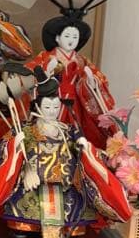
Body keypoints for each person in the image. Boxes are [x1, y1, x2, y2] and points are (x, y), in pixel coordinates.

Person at [0, 68, 130, 238]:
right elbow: (6, 152)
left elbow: (82, 151)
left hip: (66, 185)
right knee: (25, 208)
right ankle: (27, 226)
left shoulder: (68, 130)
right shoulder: (25, 129)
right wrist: (21, 160)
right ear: (38, 107)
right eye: (48, 107)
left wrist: (84, 147)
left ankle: (67, 228)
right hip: (33, 185)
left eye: (56, 107)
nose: (52, 112)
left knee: (73, 206)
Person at [26, 14, 114, 149]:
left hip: (76, 105)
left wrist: (91, 82)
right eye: (67, 36)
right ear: (57, 38)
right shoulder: (45, 57)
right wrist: (46, 74)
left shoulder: (82, 60)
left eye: (75, 37)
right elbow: (28, 74)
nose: (71, 40)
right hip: (52, 103)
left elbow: (100, 79)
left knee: (77, 136)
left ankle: (75, 156)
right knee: (48, 134)